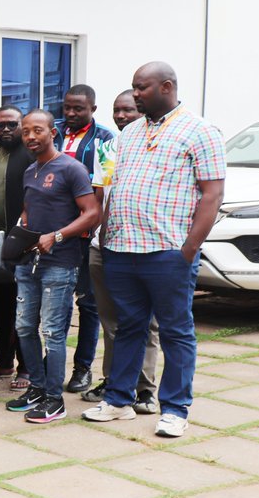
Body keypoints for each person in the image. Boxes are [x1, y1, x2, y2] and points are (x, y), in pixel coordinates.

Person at [83, 62, 226, 438]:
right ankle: (118, 400)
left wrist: (189, 248)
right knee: (128, 326)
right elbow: (117, 187)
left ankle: (176, 409)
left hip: (168, 252)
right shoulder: (128, 134)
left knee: (176, 331)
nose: (135, 95)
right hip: (121, 249)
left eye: (141, 88)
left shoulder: (201, 131)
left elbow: (212, 195)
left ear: (166, 86)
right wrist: (107, 238)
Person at [4, 110, 100, 424]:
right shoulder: (31, 170)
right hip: (28, 262)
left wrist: (56, 236)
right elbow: (29, 210)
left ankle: (54, 400)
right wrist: (22, 233)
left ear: (52, 132)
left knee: (53, 333)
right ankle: (37, 388)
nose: (30, 137)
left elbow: (91, 213)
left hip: (60, 262)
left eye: (37, 131)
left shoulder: (71, 168)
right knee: (24, 328)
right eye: (26, 132)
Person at [83, 99, 160, 412]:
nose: (121, 115)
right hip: (104, 248)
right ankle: (114, 382)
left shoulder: (154, 147)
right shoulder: (106, 148)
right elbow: (99, 197)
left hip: (144, 247)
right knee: (112, 322)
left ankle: (146, 389)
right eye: (116, 110)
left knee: (147, 323)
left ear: (142, 112)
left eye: (128, 109)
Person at [56, 84, 118, 393]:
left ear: (92, 109)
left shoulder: (104, 139)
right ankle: (52, 365)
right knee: (56, 303)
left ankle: (83, 369)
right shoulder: (52, 131)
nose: (70, 113)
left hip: (86, 233)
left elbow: (102, 189)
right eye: (67, 107)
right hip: (53, 233)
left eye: (78, 108)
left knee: (90, 304)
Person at [0, 105, 33, 388]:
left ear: (21, 125)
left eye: (12, 124)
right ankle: (3, 361)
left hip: (23, 245)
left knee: (21, 308)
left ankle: (26, 367)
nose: (6, 130)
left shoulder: (31, 154)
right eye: (0, 125)